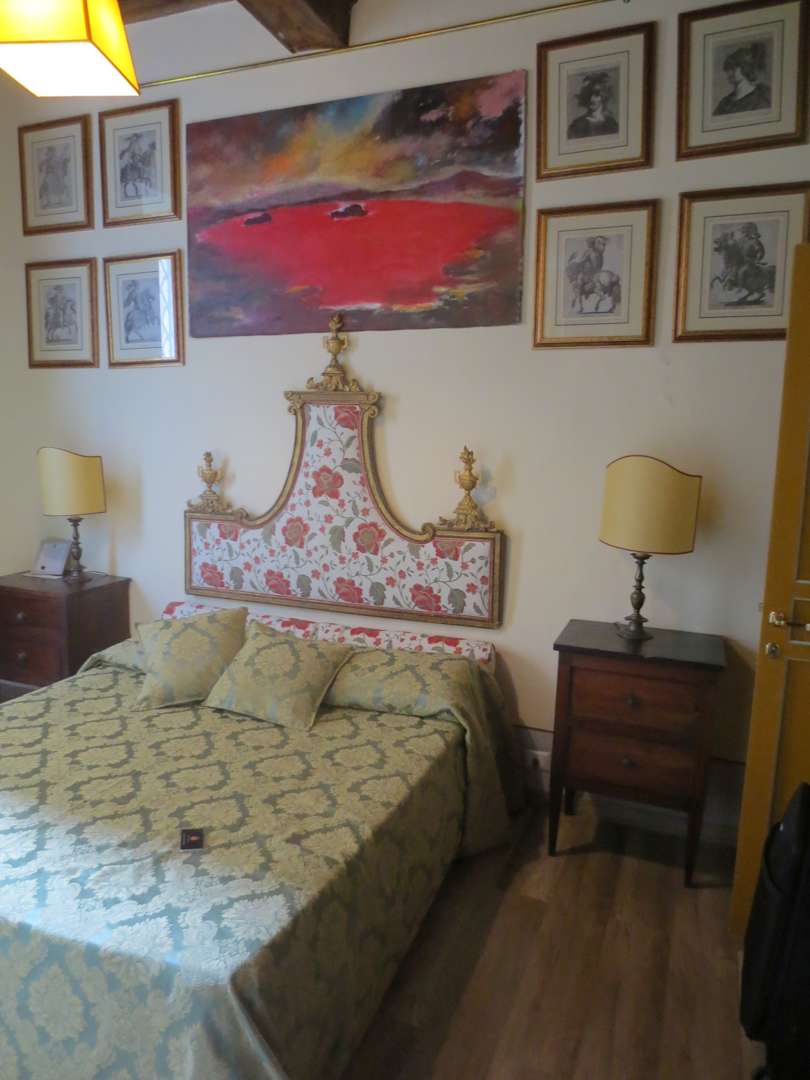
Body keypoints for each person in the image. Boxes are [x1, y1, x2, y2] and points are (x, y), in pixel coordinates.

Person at [714, 41, 771, 116]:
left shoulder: (763, 96)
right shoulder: (724, 103)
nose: (729, 73)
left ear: (745, 67)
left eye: (733, 68)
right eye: (727, 69)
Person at [567, 71, 619, 139]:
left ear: (603, 97)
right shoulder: (577, 125)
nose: (591, 99)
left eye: (596, 95)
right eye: (589, 94)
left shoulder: (612, 124)